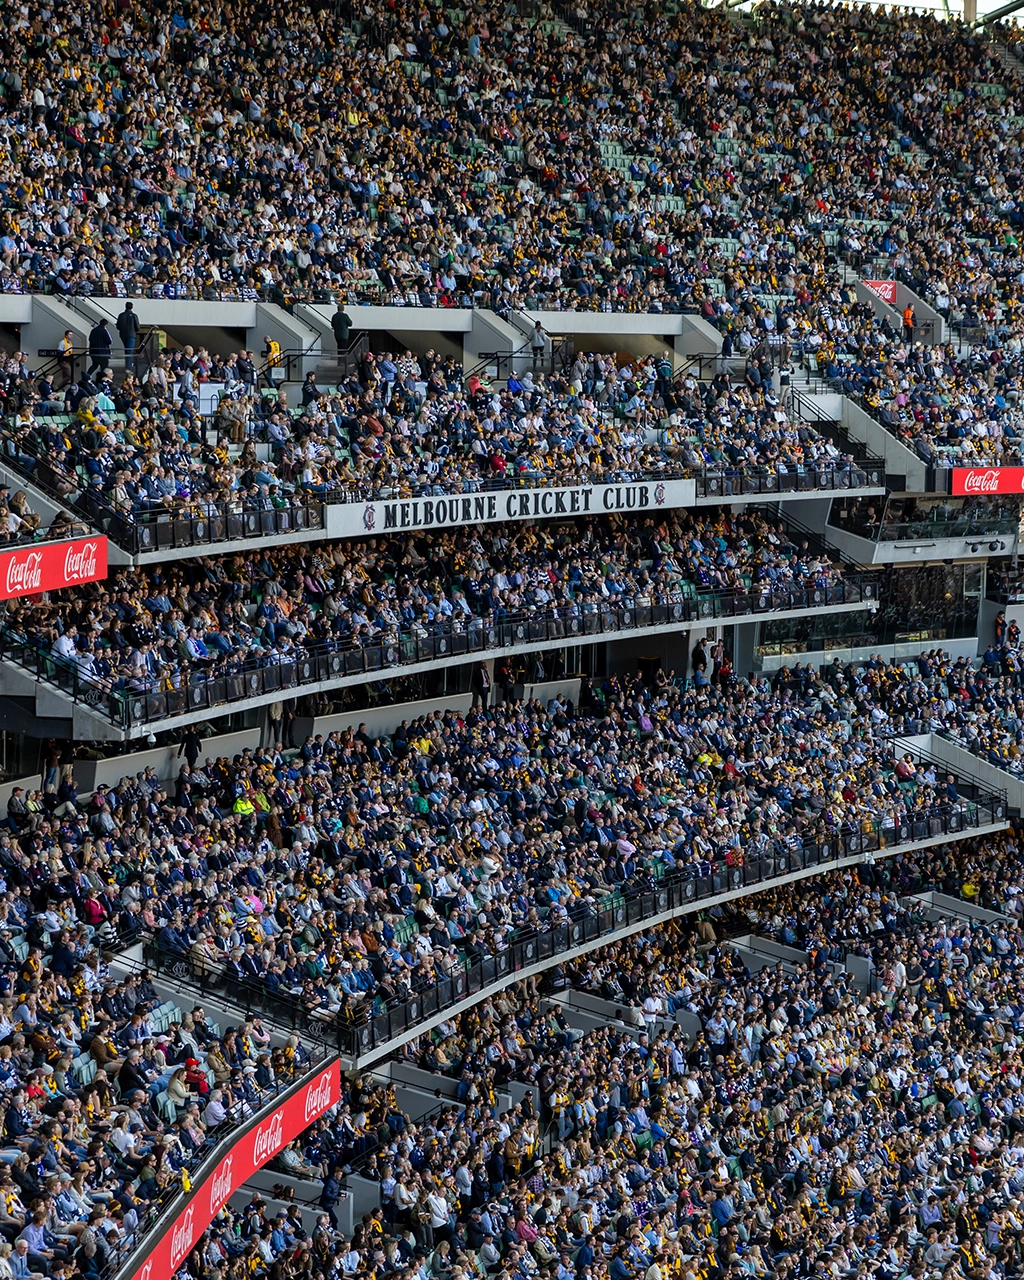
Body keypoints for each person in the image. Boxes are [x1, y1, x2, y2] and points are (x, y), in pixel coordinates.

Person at [116, 303, 140, 373]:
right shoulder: (134, 316)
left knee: (127, 350)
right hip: (131, 335)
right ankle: (128, 367)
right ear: (132, 307)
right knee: (129, 351)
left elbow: (118, 326)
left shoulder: (121, 315)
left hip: (123, 334)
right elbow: (137, 327)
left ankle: (128, 365)